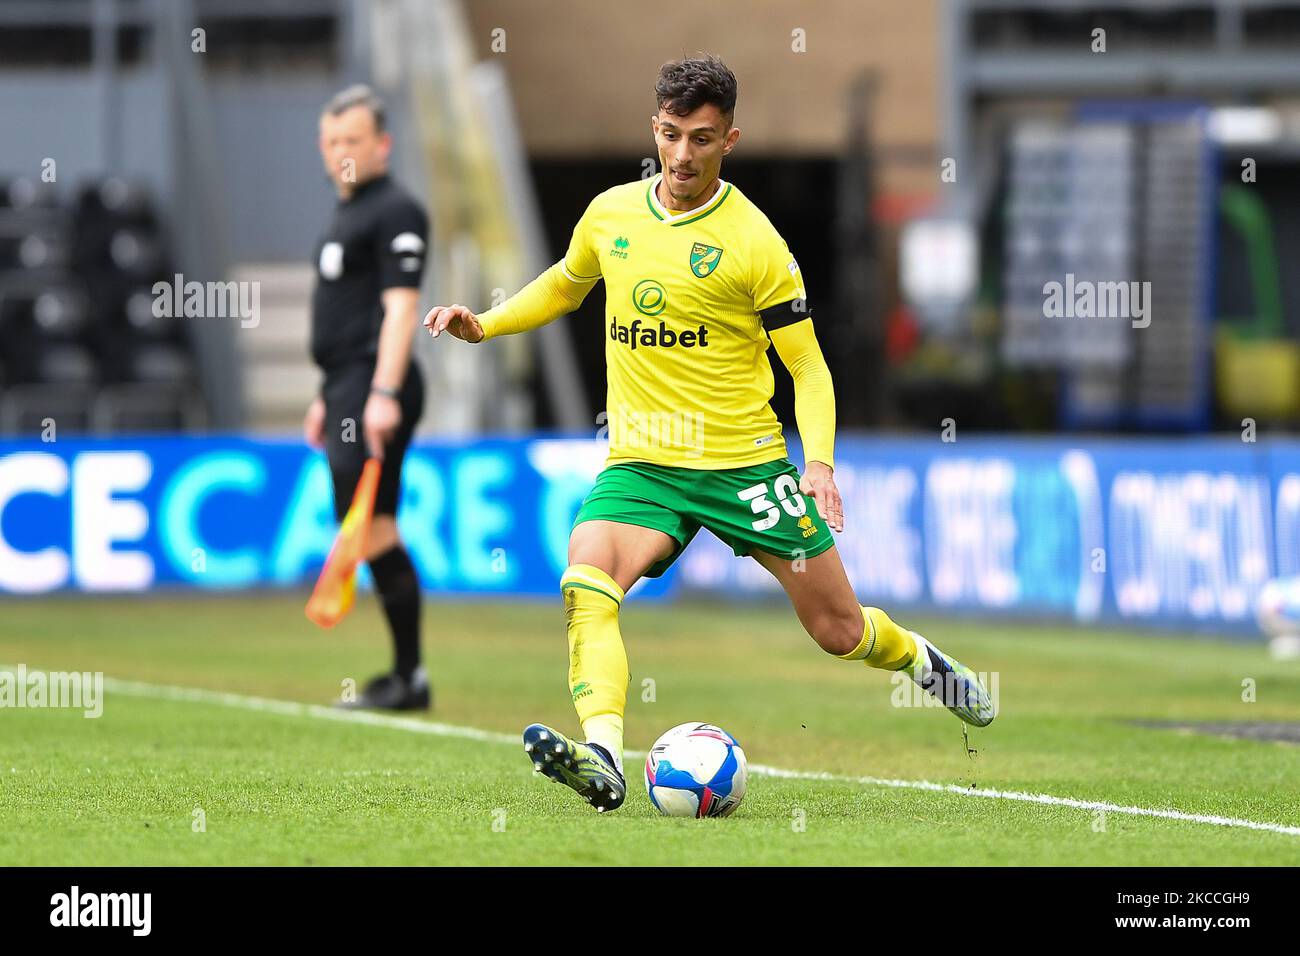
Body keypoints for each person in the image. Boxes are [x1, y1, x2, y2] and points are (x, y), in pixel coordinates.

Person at [423, 56, 994, 810]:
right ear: (653, 129)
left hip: (744, 466)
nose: (683, 155)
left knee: (838, 630)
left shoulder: (755, 243)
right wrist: (487, 323)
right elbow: (567, 281)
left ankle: (919, 659)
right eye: (670, 134)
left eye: (701, 138)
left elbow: (810, 370)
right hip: (643, 463)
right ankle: (603, 756)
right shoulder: (612, 214)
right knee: (586, 580)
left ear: (730, 139)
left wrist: (817, 465)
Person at [305, 84, 430, 710]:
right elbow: (346, 313)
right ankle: (407, 675)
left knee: (374, 526)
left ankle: (408, 676)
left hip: (375, 383)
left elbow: (400, 309)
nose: (339, 153)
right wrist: (328, 396)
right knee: (373, 524)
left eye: (351, 140)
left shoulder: (396, 210)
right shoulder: (347, 211)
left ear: (381, 144)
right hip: (347, 385)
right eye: (330, 142)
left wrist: (380, 392)